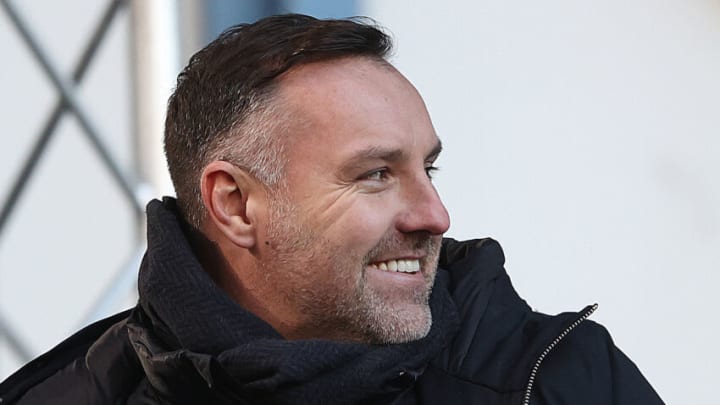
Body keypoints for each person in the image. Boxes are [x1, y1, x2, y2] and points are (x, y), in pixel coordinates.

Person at [0, 14, 663, 404]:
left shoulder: (558, 380)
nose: (436, 213)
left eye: (426, 167)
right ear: (234, 204)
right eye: (376, 174)